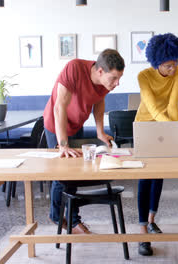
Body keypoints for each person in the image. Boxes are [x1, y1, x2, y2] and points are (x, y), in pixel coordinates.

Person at [43, 49, 125, 234]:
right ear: (100, 71)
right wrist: (63, 144)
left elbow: (99, 104)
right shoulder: (74, 68)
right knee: (63, 171)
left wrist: (100, 132)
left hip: (77, 124)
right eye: (114, 78)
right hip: (56, 125)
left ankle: (72, 219)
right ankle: (57, 216)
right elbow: (59, 107)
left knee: (74, 172)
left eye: (119, 78)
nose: (117, 83)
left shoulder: (105, 84)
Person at [134, 33, 178, 256]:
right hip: (145, 127)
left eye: (175, 64)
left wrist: (175, 132)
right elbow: (153, 109)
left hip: (165, 126)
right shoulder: (143, 76)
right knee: (145, 178)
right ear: (157, 64)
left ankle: (152, 219)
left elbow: (172, 105)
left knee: (159, 175)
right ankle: (142, 232)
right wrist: (175, 130)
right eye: (168, 66)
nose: (173, 69)